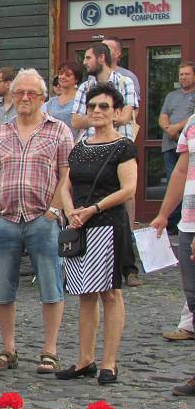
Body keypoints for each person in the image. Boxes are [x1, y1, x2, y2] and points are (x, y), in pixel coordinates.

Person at [0, 68, 73, 375]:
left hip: (41, 219)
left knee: (51, 285)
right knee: (2, 289)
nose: (23, 98)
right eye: (18, 92)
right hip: (5, 219)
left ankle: (50, 350)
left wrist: (53, 212)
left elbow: (66, 176)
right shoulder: (1, 132)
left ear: (42, 98)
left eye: (30, 93)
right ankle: (8, 348)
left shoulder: (59, 131)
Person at [56, 84, 137, 385]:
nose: (97, 112)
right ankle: (84, 360)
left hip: (109, 225)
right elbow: (66, 184)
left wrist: (93, 208)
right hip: (81, 226)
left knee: (110, 293)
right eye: (92, 107)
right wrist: (70, 210)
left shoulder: (123, 146)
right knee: (85, 294)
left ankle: (109, 362)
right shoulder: (79, 146)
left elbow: (128, 188)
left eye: (104, 107)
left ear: (117, 113)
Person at [72, 43, 141, 288]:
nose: (85, 62)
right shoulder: (84, 87)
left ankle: (128, 263)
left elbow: (126, 116)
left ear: (102, 58)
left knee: (123, 207)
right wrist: (102, 117)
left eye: (88, 57)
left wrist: (97, 118)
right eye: (93, 106)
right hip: (90, 150)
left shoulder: (126, 82)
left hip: (117, 150)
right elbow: (76, 120)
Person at [150, 111, 195, 395]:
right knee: (193, 301)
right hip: (188, 223)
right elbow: (181, 169)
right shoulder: (192, 122)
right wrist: (164, 213)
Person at [158, 61, 195, 234]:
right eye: (181, 74)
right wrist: (168, 128)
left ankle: (183, 221)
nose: (183, 77)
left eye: (187, 74)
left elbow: (192, 118)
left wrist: (177, 128)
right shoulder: (171, 96)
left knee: (188, 183)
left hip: (189, 146)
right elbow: (163, 116)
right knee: (173, 182)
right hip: (170, 145)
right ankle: (171, 223)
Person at [45, 61, 82, 133]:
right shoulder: (51, 102)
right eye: (61, 74)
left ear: (76, 79)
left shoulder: (81, 100)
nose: (63, 77)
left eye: (67, 75)